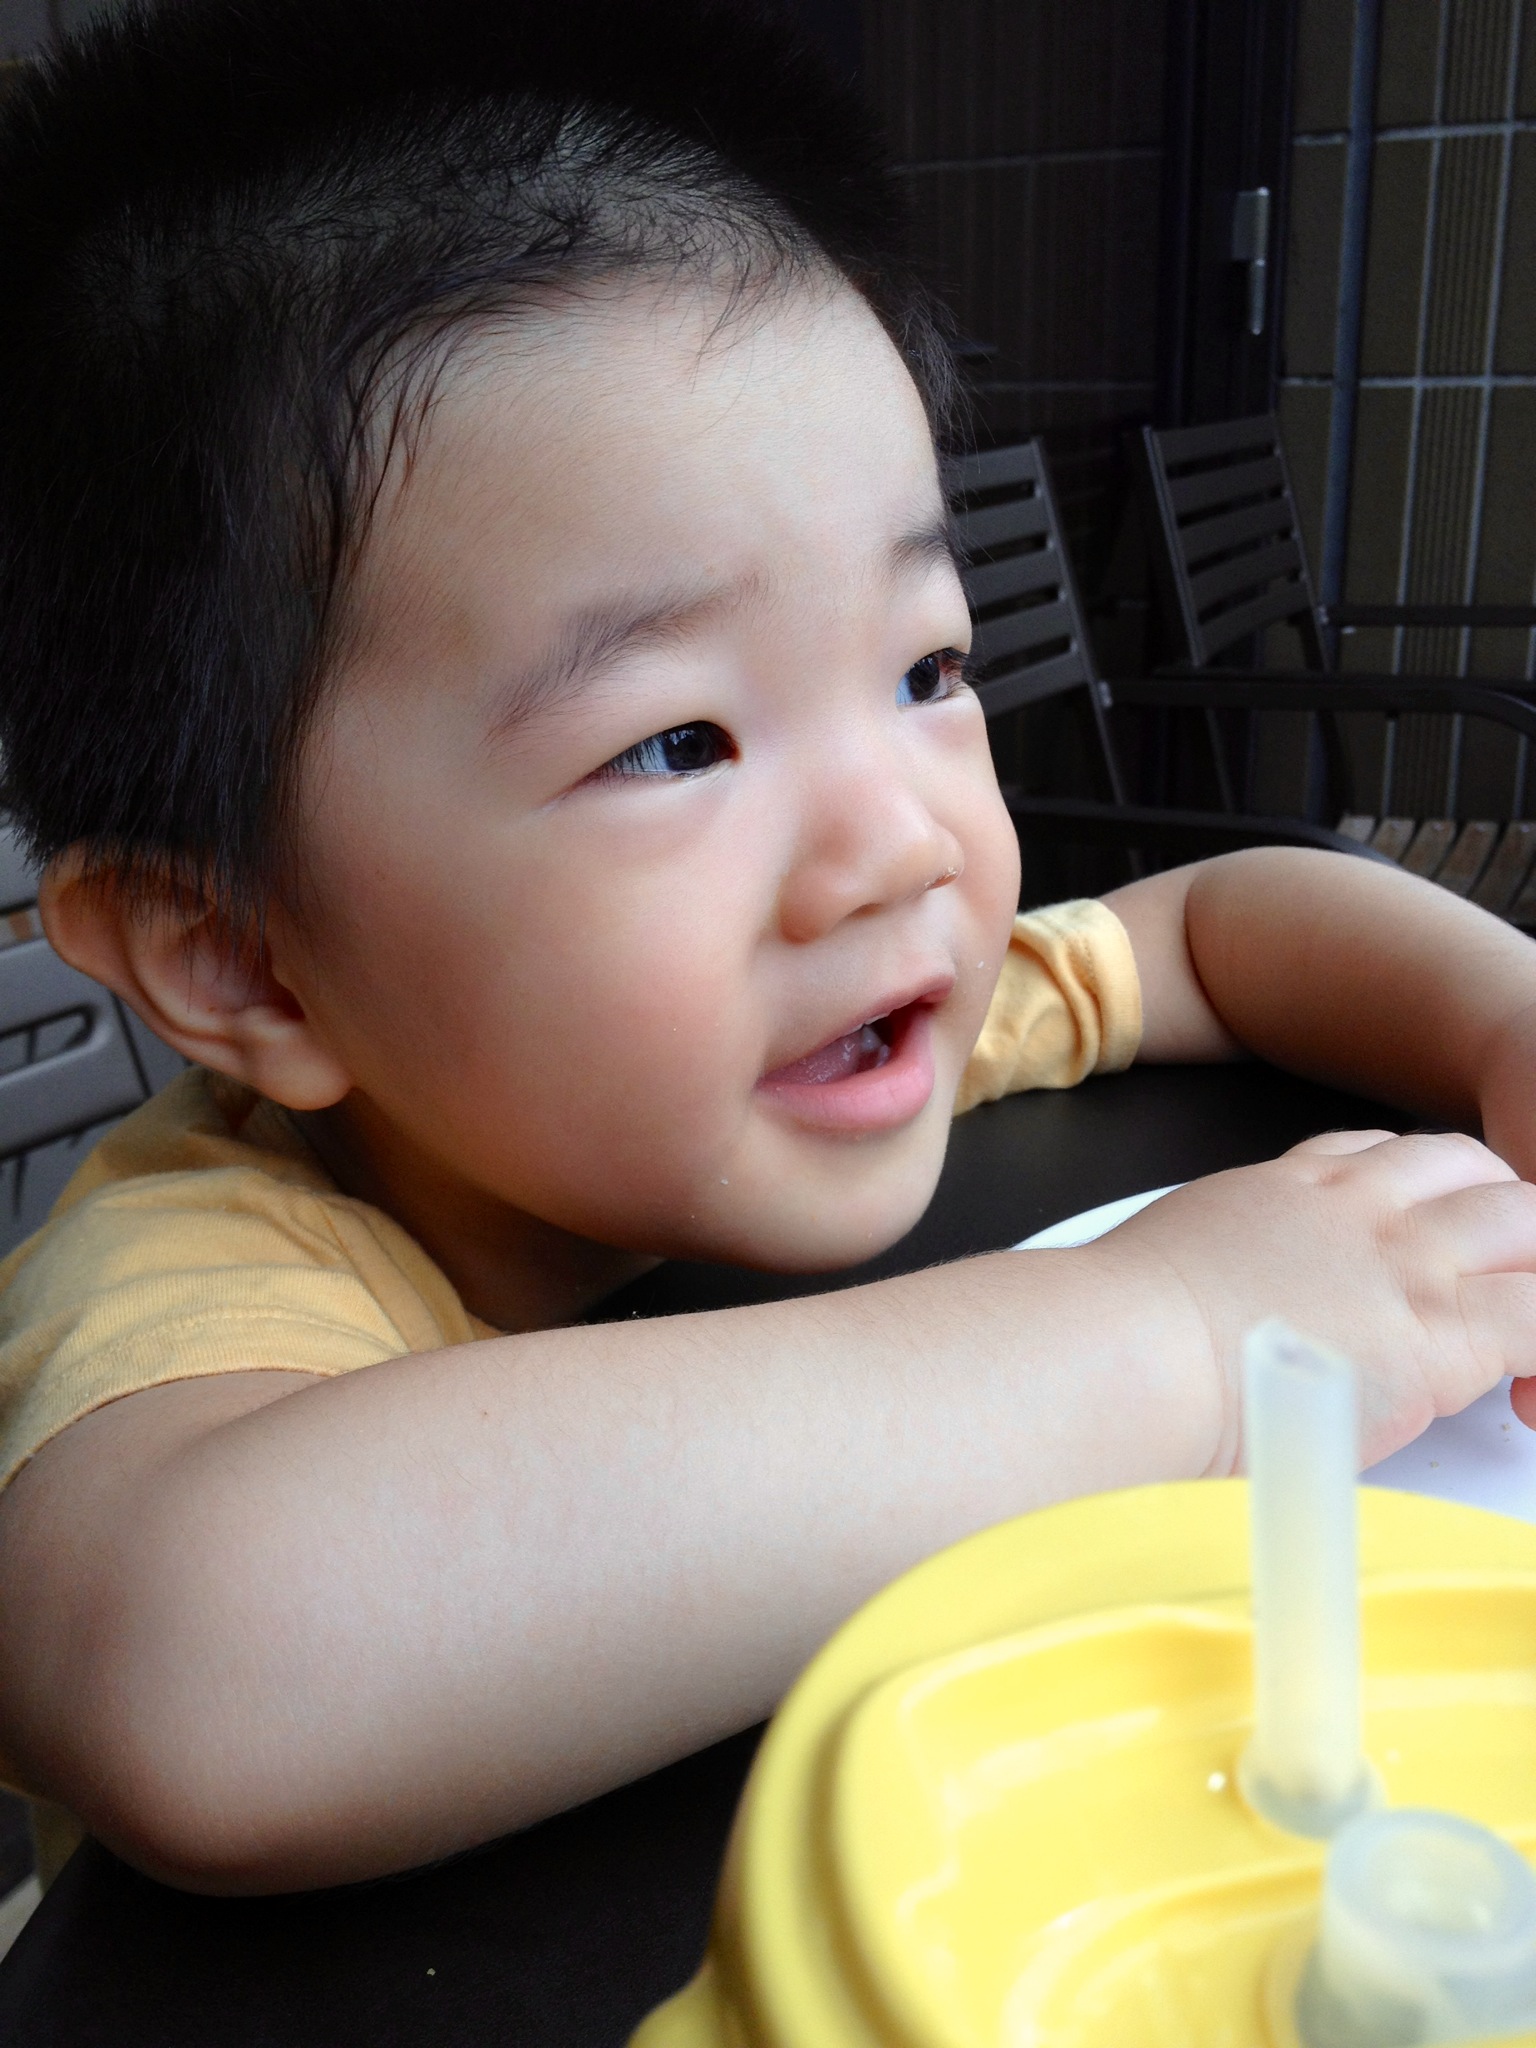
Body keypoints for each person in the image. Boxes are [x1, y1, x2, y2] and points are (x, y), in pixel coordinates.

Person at [0, 0, 1535, 1900]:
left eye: (926, 669)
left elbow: (1214, 920)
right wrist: (1187, 1335)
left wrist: (1508, 1016)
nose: (900, 843)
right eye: (677, 743)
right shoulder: (210, 1268)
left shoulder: (841, 1023)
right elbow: (204, 1672)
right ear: (245, 964)